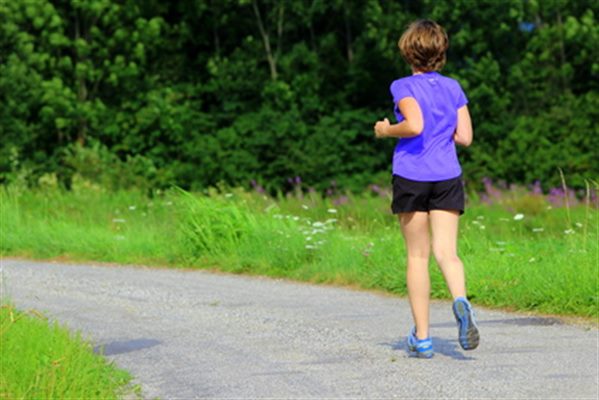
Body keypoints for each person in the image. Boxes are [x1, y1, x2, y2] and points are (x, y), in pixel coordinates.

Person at [373, 19, 479, 359]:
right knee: (447, 252)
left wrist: (387, 131)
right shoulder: (453, 88)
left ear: (408, 52)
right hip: (447, 174)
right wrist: (441, 126)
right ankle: (460, 301)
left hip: (412, 175)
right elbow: (464, 137)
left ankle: (423, 338)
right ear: (441, 52)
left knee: (418, 256)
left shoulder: (402, 86)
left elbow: (415, 125)